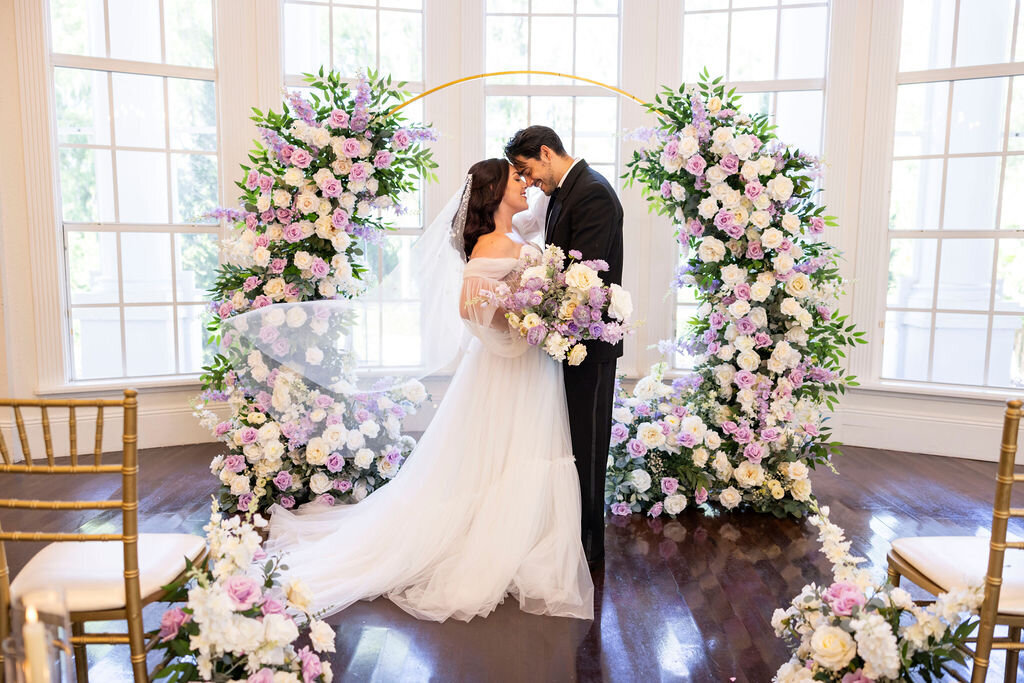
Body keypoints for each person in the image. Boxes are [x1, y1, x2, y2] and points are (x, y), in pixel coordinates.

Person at [263, 158, 594, 622]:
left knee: (513, 453)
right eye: (515, 180)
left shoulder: (517, 235)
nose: (524, 186)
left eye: (524, 177)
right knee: (498, 455)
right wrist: (525, 314)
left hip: (528, 369)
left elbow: (521, 267)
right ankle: (495, 543)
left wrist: (536, 306)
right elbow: (469, 305)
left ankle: (521, 537)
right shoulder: (491, 244)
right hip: (510, 371)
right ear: (495, 192)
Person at [505, 126, 624, 568]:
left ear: (546, 152)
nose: (530, 181)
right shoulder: (562, 192)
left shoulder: (592, 192)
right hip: (566, 340)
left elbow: (585, 276)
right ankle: (570, 538)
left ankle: (591, 548)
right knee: (571, 442)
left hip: (590, 343)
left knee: (588, 445)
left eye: (528, 170)